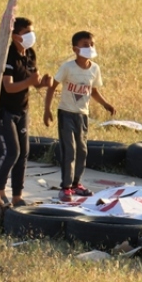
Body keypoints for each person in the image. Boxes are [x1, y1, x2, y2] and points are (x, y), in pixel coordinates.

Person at [44, 30, 116, 202]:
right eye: (85, 45)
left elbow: (93, 91)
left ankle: (77, 183)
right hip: (66, 113)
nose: (89, 47)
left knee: (82, 150)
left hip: (82, 115)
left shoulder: (95, 69)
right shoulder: (68, 67)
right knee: (69, 150)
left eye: (91, 44)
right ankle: (66, 187)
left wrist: (106, 104)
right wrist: (47, 109)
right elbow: (53, 87)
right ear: (75, 49)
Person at [0, 17, 51, 208]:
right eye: (26, 33)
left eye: (31, 32)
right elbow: (8, 87)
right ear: (15, 36)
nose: (30, 36)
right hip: (5, 111)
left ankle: (17, 195)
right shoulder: (8, 56)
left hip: (22, 109)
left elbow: (33, 81)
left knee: (23, 153)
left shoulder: (30, 53)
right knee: (12, 151)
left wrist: (42, 83)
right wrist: (30, 82)